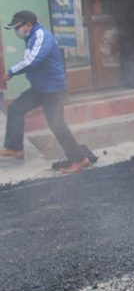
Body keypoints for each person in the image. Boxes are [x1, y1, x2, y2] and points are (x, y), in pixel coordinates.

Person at [0, 10, 90, 173]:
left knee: (57, 125)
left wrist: (10, 73)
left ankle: (80, 159)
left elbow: (32, 60)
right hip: (40, 88)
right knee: (15, 108)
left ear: (29, 24)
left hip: (53, 90)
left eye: (18, 27)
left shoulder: (42, 36)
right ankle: (15, 148)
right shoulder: (30, 37)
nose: (17, 31)